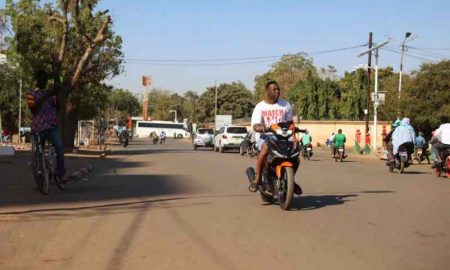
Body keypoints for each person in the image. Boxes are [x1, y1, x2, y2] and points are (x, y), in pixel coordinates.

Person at [248, 80, 302, 196]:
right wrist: (259, 127)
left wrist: (293, 134)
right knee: (265, 148)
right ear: (267, 92)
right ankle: (257, 178)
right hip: (266, 136)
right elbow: (255, 124)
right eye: (274, 89)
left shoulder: (285, 105)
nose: (277, 91)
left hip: (283, 137)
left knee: (296, 155)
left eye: (278, 89)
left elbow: (290, 123)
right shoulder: (260, 107)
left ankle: (290, 180)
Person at [25, 70, 66, 181]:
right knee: (39, 153)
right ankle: (41, 177)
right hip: (38, 127)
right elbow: (33, 109)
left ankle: (60, 173)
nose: (45, 81)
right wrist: (47, 95)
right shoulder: (30, 93)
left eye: (46, 79)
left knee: (59, 148)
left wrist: (56, 94)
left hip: (52, 126)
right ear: (37, 80)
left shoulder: (50, 93)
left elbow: (58, 108)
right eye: (43, 79)